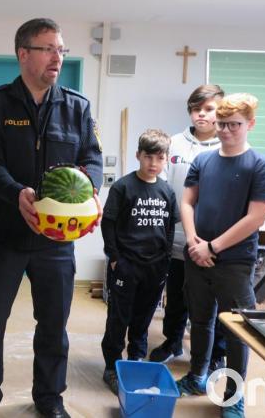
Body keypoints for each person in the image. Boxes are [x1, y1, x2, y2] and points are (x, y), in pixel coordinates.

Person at [0, 18, 103, 418]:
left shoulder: (77, 107)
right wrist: (18, 194)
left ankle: (50, 398)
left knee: (54, 324)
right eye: (48, 49)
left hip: (55, 238)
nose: (57, 57)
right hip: (5, 231)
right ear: (23, 54)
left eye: (61, 49)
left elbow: (92, 160)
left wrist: (89, 192)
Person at [175, 93, 265, 418]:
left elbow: (256, 217)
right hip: (196, 255)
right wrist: (194, 241)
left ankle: (233, 396)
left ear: (250, 124)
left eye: (234, 124)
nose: (226, 130)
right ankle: (196, 376)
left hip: (234, 261)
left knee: (236, 329)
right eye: (221, 124)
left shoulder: (260, 164)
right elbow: (187, 202)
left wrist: (213, 247)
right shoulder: (203, 160)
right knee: (200, 320)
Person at [150, 84, 228, 370]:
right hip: (177, 238)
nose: (202, 115)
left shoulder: (226, 146)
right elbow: (161, 187)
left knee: (213, 301)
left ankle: (216, 353)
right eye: (196, 109)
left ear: (221, 111)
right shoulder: (173, 143)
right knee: (176, 296)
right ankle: (173, 341)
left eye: (209, 109)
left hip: (213, 242)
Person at [100, 129, 179, 395]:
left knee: (143, 318)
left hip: (155, 268)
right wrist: (114, 259)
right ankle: (112, 366)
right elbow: (108, 223)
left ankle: (136, 359)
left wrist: (166, 259)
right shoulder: (123, 187)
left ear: (166, 159)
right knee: (118, 318)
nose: (153, 163)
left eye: (159, 158)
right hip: (126, 266)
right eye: (148, 157)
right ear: (138, 156)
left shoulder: (167, 191)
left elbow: (169, 228)